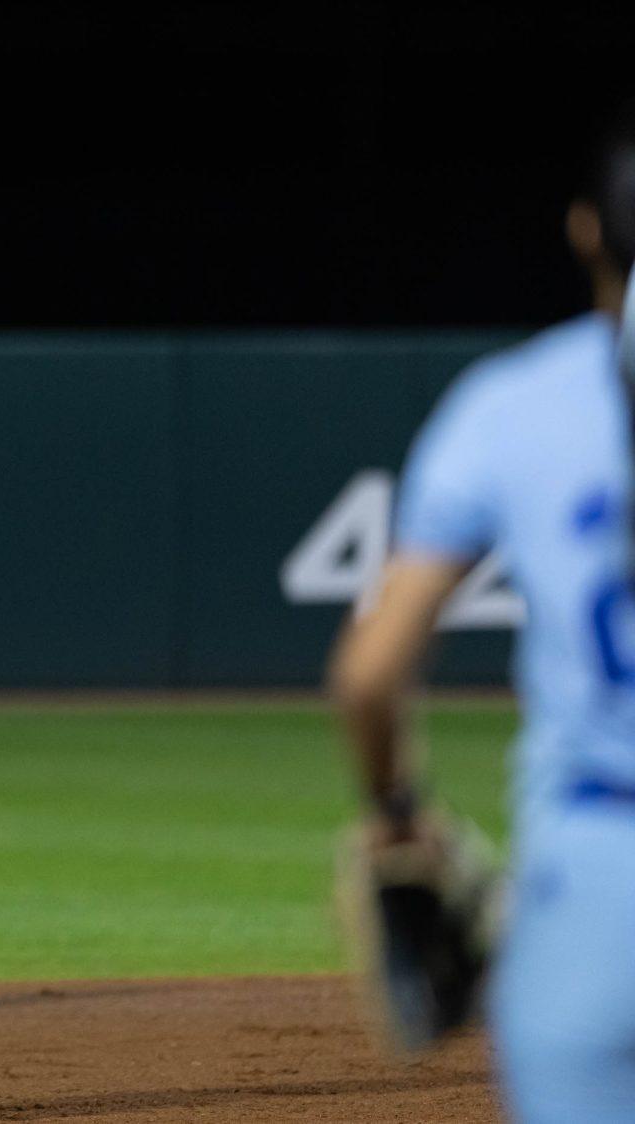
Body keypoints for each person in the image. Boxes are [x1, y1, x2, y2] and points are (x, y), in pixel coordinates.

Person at [329, 102, 635, 1122]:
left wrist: (401, 817)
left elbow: (369, 674)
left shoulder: (514, 404)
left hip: (595, 879)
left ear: (588, 229)